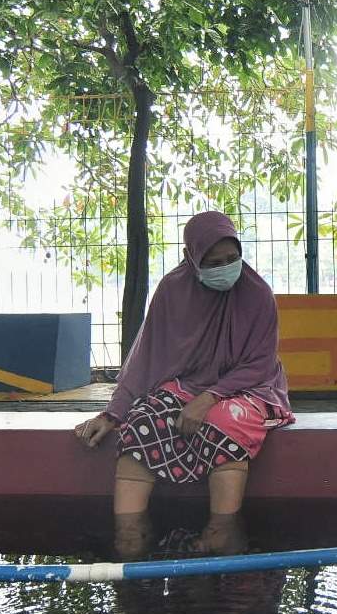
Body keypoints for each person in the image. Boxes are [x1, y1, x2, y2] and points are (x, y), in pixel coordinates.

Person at [75, 210, 292, 550]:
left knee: (223, 420)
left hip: (249, 388)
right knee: (142, 421)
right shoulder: (173, 291)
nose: (225, 268)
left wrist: (208, 399)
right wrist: (112, 414)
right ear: (192, 259)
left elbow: (260, 364)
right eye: (214, 261)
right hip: (187, 383)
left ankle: (223, 529)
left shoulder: (258, 294)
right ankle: (130, 534)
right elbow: (146, 358)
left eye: (232, 259)